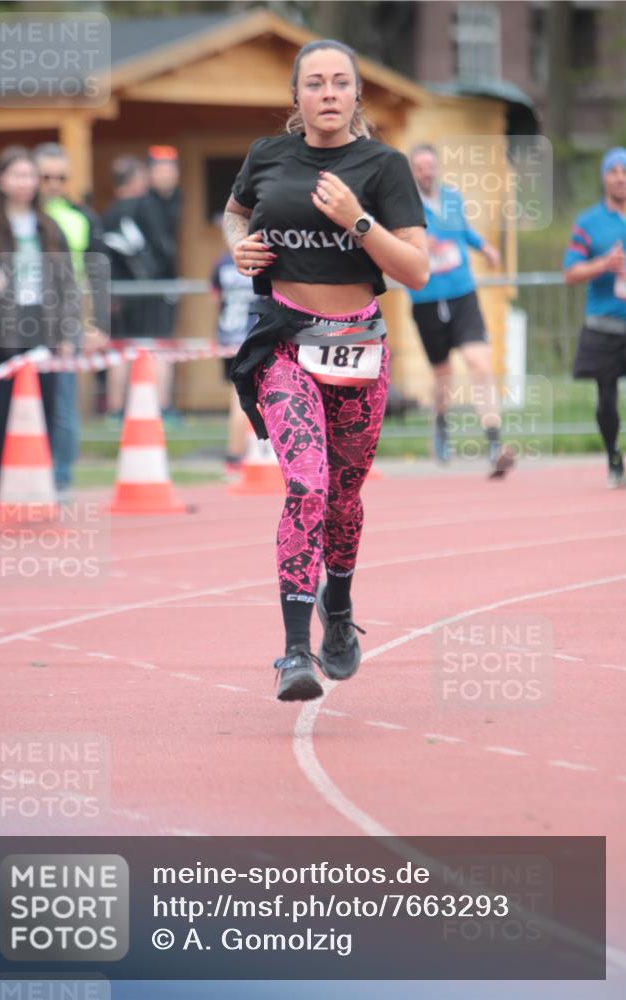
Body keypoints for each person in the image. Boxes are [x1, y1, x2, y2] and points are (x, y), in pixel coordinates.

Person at [224, 39, 428, 702]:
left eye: (341, 82)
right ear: (297, 95)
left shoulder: (383, 166)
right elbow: (235, 212)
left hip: (358, 347)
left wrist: (357, 220)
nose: (329, 93)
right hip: (285, 343)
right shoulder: (268, 156)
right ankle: (293, 652)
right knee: (307, 486)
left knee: (343, 498)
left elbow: (416, 270)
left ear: (357, 94)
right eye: (315, 83)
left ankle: (336, 608)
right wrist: (239, 247)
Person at [0, 146, 80, 507]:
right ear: (1, 180)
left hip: (41, 320)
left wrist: (65, 330)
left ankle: (38, 486)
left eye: (29, 176)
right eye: (17, 175)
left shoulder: (48, 226)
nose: (25, 183)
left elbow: (66, 281)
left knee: (44, 404)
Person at [408, 143, 513, 476]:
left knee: (479, 364)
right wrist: (419, 245)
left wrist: (486, 247)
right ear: (412, 172)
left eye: (430, 166)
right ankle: (441, 422)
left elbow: (465, 231)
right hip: (426, 299)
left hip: (462, 294)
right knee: (443, 375)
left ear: (437, 167)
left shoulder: (452, 198)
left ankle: (494, 442)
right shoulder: (404, 204)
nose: (426, 173)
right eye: (420, 168)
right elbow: (393, 240)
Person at [34, 142, 109, 495]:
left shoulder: (81, 218)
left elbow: (97, 274)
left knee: (62, 402)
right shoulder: (20, 216)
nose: (53, 184)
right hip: (22, 320)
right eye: (46, 176)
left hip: (67, 318)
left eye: (60, 177)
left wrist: (98, 323)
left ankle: (60, 477)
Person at [563, 147, 626, 488]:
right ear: (604, 177)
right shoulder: (589, 223)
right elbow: (570, 272)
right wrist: (605, 264)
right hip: (605, 324)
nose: (620, 178)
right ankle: (614, 457)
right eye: (614, 171)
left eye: (625, 172)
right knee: (606, 399)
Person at [102, 156, 153, 420]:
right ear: (133, 181)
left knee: (120, 349)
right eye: (142, 178)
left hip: (117, 291)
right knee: (134, 348)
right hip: (133, 292)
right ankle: (121, 408)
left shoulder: (109, 212)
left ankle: (117, 409)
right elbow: (136, 251)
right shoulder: (136, 210)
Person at [135, 145, 183, 417]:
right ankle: (159, 405)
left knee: (164, 343)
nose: (167, 174)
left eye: (170, 169)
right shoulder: (146, 204)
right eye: (161, 169)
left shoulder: (175, 200)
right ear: (150, 174)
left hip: (166, 284)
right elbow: (158, 247)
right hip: (152, 286)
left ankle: (162, 404)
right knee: (156, 344)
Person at [210, 244, 258, 471]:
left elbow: (215, 299)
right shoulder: (261, 258)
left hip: (228, 334)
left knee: (239, 395)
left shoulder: (222, 262)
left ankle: (240, 453)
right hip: (253, 334)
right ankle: (236, 454)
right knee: (245, 399)